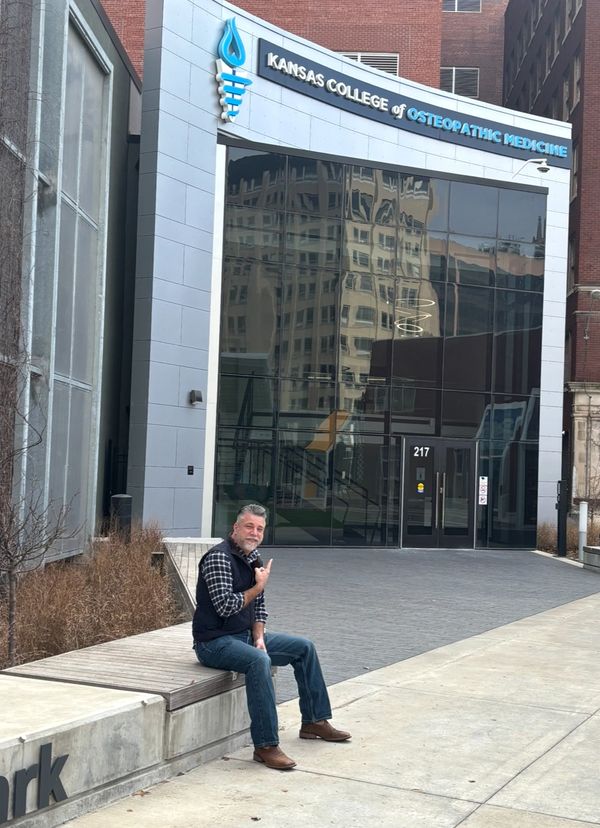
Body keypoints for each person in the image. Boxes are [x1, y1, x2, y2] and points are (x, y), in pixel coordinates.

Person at [192, 503, 350, 770]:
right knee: (259, 662)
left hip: (243, 636)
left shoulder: (254, 557)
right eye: (249, 526)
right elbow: (226, 606)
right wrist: (259, 585)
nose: (254, 533)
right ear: (235, 527)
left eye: (260, 529)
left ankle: (314, 721)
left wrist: (260, 638)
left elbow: (259, 606)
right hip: (213, 643)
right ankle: (265, 746)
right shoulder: (219, 557)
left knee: (304, 647)